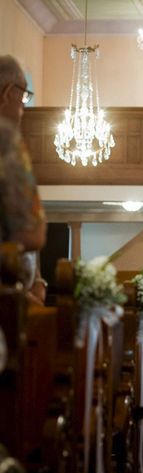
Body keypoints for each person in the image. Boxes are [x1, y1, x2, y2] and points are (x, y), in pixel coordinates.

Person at [0, 55, 47, 304]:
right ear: (8, 93)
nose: (23, 110)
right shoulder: (6, 139)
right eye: (24, 97)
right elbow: (33, 235)